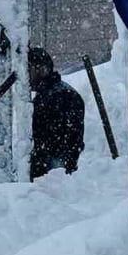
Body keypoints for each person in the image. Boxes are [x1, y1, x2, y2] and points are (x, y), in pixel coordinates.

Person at [28, 46, 85, 180]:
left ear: (42, 69)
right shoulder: (45, 94)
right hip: (47, 168)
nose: (26, 76)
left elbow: (69, 140)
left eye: (29, 70)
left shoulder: (63, 95)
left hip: (55, 172)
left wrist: (42, 164)